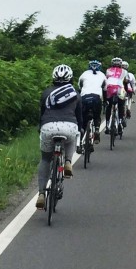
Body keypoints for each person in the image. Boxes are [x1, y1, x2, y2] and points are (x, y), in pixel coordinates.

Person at [37, 64, 82, 209]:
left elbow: (42, 114)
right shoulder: (75, 93)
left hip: (48, 127)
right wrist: (79, 129)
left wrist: (41, 129)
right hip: (69, 127)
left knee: (45, 159)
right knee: (71, 139)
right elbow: (79, 117)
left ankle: (41, 194)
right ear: (70, 78)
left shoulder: (46, 93)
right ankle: (68, 161)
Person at [77, 59, 106, 146]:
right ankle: (97, 129)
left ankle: (81, 139)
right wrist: (105, 101)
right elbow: (105, 89)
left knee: (83, 120)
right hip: (97, 98)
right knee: (97, 116)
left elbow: (79, 87)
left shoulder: (84, 74)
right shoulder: (102, 75)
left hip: (84, 98)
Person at [103, 57, 130, 134]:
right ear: (121, 64)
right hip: (120, 89)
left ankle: (107, 125)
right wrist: (126, 93)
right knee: (121, 106)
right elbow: (126, 83)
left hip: (109, 89)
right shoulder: (124, 71)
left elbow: (105, 81)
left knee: (109, 106)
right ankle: (120, 123)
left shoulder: (108, 70)